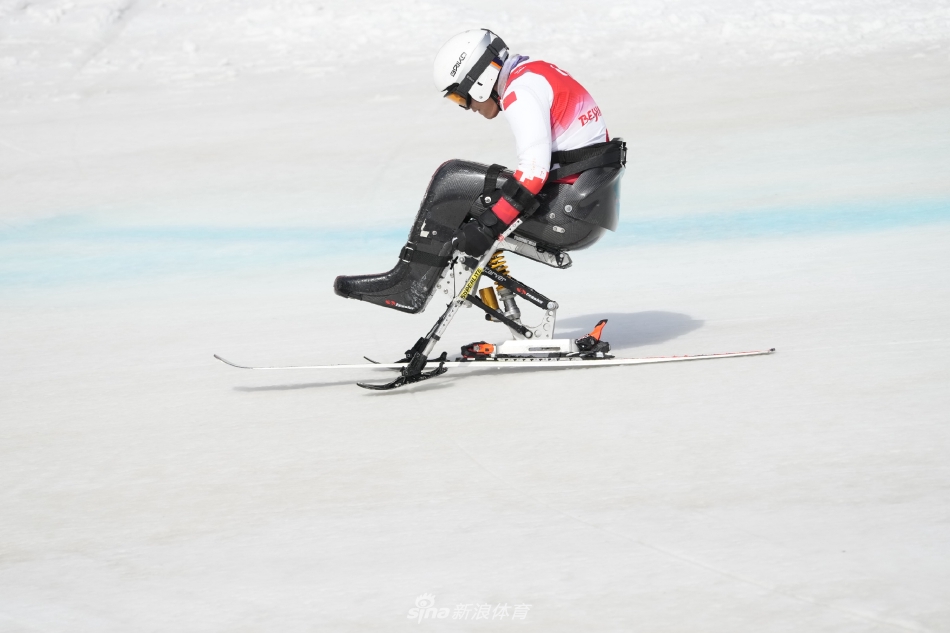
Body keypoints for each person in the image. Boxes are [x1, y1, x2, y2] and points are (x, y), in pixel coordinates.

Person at [334, 29, 625, 314]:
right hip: (582, 206)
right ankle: (411, 279)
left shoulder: (520, 92)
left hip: (568, 214)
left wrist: (488, 227)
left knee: (454, 181)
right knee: (473, 186)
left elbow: (534, 173)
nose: (465, 107)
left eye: (460, 98)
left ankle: (408, 286)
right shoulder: (535, 72)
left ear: (479, 80)